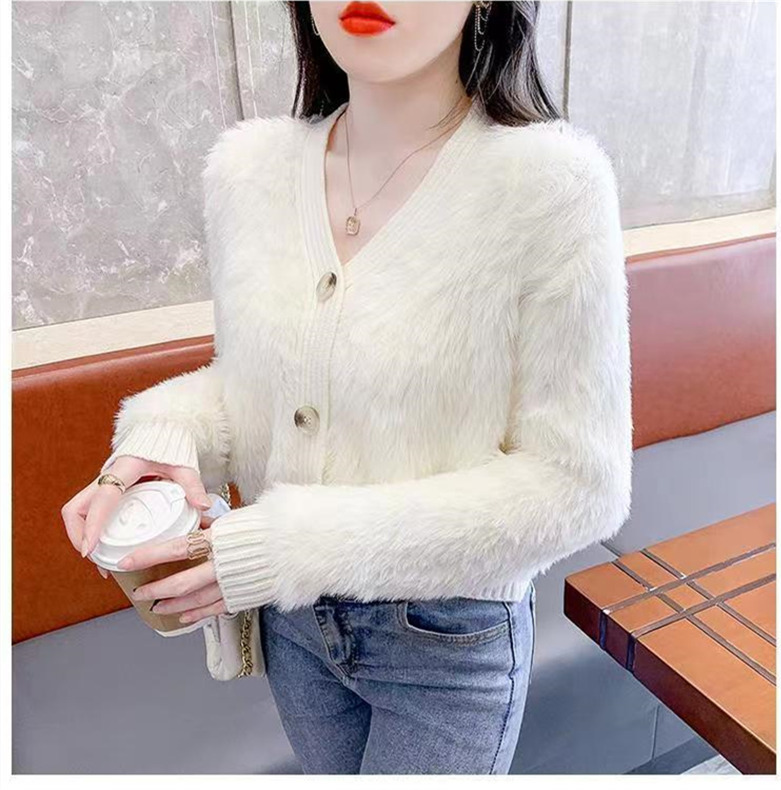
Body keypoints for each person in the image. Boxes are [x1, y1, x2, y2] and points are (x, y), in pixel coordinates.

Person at [60, 0, 633, 775]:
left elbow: (579, 485)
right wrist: (163, 439)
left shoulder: (549, 186)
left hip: (444, 639)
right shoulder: (248, 172)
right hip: (292, 628)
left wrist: (285, 547)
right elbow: (255, 389)